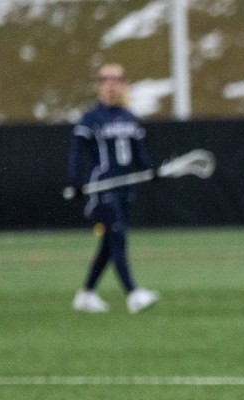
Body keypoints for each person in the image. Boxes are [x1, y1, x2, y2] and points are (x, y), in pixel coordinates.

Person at [64, 63, 160, 314]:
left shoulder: (129, 117)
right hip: (102, 189)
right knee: (117, 235)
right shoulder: (91, 118)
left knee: (109, 244)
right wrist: (75, 182)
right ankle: (133, 294)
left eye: (117, 79)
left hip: (125, 189)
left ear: (124, 83)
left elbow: (139, 153)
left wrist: (151, 171)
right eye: (106, 79)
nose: (111, 84)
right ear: (99, 85)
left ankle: (86, 294)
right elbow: (77, 153)